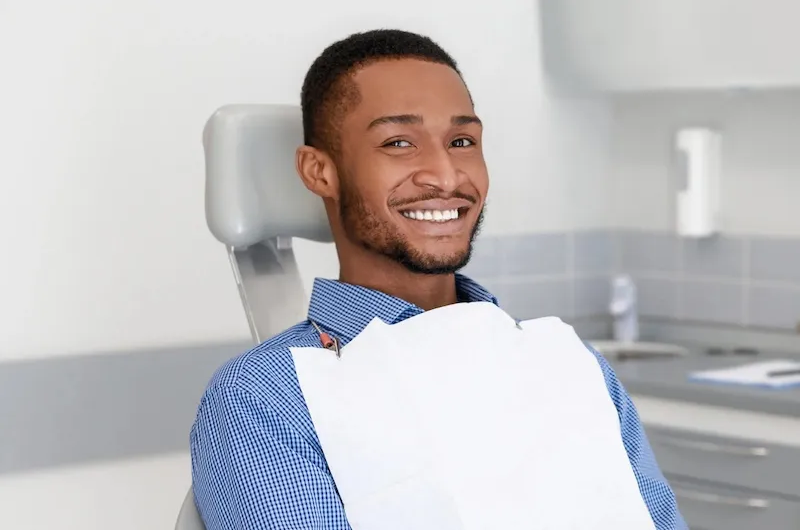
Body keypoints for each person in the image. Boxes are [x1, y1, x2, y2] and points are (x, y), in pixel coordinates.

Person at [190, 29, 686, 530]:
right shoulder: (264, 399)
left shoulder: (569, 366)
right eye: (399, 142)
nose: (446, 176)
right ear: (320, 172)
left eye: (462, 141)